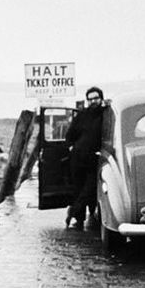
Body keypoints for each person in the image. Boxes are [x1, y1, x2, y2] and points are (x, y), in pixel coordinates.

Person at [64, 86, 105, 230]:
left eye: (96, 98)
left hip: (95, 158)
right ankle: (79, 219)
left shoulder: (106, 115)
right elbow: (70, 135)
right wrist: (71, 147)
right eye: (90, 99)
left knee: (90, 189)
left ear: (101, 99)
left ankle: (74, 212)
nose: (93, 101)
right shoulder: (81, 115)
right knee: (78, 188)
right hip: (78, 158)